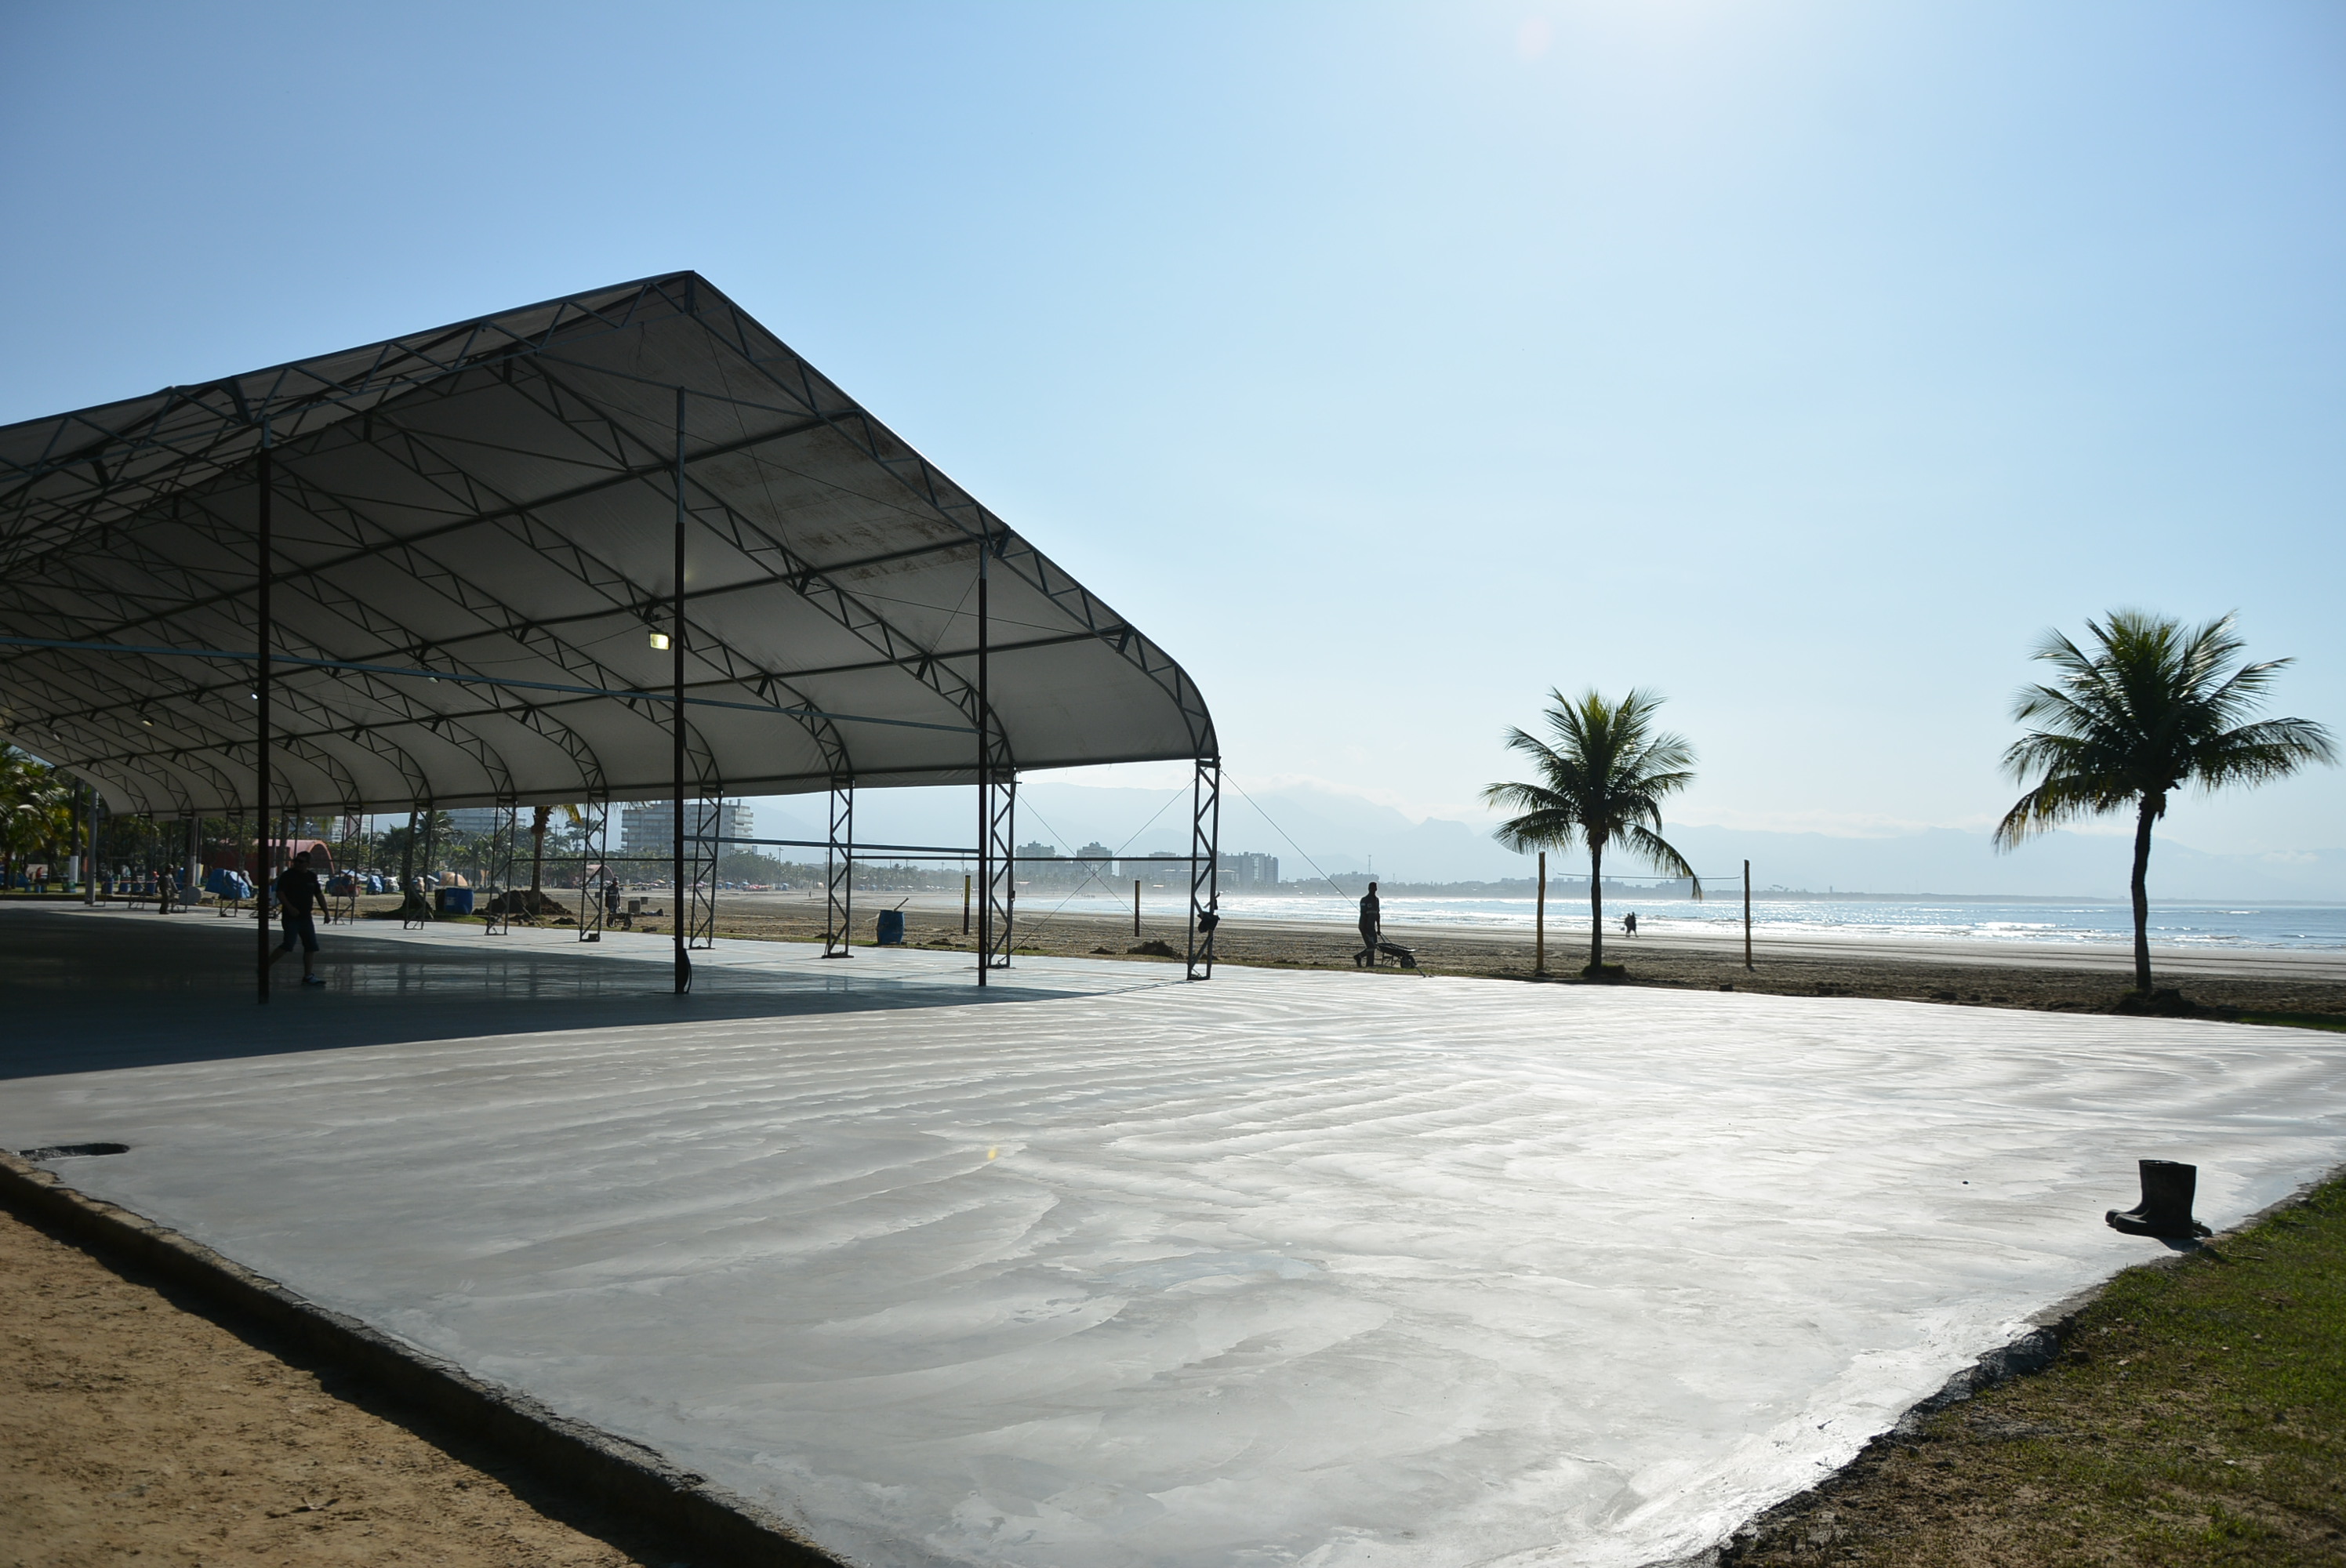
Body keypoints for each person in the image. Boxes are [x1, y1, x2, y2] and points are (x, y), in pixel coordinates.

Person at [267, 850, 329, 986]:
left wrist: (326, 912)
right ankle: (266, 966)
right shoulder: (288, 876)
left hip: (306, 917)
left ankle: (308, 975)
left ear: (308, 863)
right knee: (288, 944)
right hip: (291, 916)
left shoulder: (311, 877)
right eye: (296, 861)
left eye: (301, 862)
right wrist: (289, 908)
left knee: (311, 946)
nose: (297, 864)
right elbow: (280, 893)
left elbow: (319, 895)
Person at [1357, 881, 1382, 966]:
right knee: (1371, 946)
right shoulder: (1364, 900)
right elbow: (1363, 915)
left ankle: (1359, 957)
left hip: (1372, 928)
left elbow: (1377, 915)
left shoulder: (1377, 900)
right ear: (1369, 889)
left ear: (1376, 889)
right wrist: (1366, 929)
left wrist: (1378, 929)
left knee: (1374, 946)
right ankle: (1369, 964)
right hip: (1364, 927)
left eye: (1374, 888)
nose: (1373, 890)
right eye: (1371, 888)